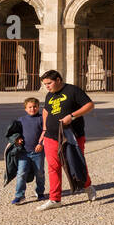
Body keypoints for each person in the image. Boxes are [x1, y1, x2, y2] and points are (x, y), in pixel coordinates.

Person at [37, 69, 96, 210]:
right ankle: (55, 199)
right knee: (53, 166)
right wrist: (44, 130)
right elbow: (46, 111)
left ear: (58, 80)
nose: (47, 87)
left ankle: (87, 186)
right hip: (51, 135)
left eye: (49, 83)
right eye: (45, 84)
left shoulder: (73, 90)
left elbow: (89, 105)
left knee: (75, 163)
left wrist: (73, 116)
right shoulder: (49, 95)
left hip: (72, 134)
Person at [5, 96, 46, 205]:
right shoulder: (20, 120)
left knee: (40, 173)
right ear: (25, 109)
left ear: (38, 107)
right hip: (24, 152)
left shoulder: (41, 119)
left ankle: (40, 192)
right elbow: (14, 133)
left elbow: (46, 132)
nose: (32, 109)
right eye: (30, 107)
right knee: (21, 173)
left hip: (38, 152)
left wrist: (41, 144)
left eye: (35, 107)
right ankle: (19, 195)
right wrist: (17, 139)